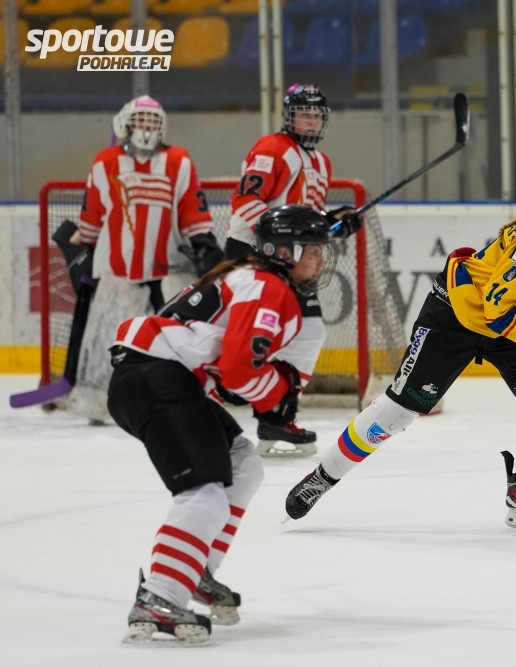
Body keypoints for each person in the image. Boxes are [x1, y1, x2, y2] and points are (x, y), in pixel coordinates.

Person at [285, 166, 516, 530]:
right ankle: (321, 478)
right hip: (455, 317)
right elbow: (496, 310)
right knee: (398, 412)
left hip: (505, 322)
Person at [109, 205, 336, 646]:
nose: (320, 260)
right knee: (205, 492)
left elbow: (233, 369)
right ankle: (159, 596)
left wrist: (271, 395)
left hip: (155, 374)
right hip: (155, 375)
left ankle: (191, 566)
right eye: (312, 251)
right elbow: (238, 370)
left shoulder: (254, 276)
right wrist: (277, 397)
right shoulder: (267, 286)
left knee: (243, 463)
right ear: (283, 252)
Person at [66, 95, 223, 424]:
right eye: (140, 120)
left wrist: (203, 242)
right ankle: (99, 404)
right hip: (118, 272)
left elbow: (192, 210)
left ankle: (178, 396)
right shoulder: (105, 162)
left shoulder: (178, 161)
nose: (147, 127)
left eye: (153, 121)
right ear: (125, 124)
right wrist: (85, 244)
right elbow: (91, 218)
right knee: (110, 337)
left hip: (170, 270)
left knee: (175, 340)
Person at [226, 82, 362, 457]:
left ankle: (279, 416)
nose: (311, 120)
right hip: (256, 254)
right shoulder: (273, 148)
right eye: (304, 113)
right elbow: (245, 202)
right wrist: (283, 238)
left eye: (317, 114)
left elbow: (304, 218)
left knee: (309, 332)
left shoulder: (321, 162)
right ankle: (213, 405)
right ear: (289, 116)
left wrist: (333, 222)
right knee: (239, 335)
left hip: (293, 262)